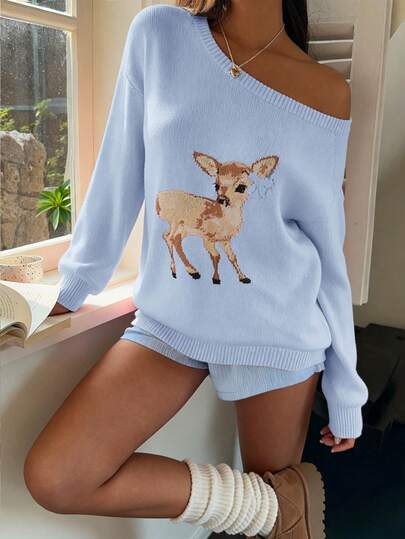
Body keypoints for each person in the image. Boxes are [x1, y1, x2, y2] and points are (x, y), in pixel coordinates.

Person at [23, 1, 369, 537]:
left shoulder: (326, 91)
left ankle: (270, 512)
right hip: (169, 324)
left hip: (276, 331)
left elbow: (327, 248)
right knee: (57, 476)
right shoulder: (158, 34)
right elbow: (120, 167)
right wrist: (74, 285)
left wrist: (346, 385)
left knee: (268, 532)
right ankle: (272, 508)